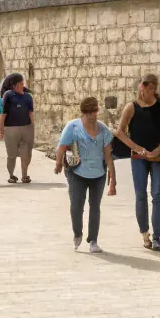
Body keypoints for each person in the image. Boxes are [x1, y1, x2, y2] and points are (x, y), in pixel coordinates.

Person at [115, 73, 160, 251]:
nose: (150, 93)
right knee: (141, 195)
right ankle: (145, 233)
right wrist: (138, 148)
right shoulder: (131, 108)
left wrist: (159, 149)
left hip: (156, 158)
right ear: (142, 88)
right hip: (138, 158)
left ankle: (157, 237)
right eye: (147, 89)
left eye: (152, 90)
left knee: (157, 195)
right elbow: (120, 132)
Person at [55, 96, 116, 253]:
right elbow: (62, 147)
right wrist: (58, 164)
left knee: (95, 207)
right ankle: (77, 234)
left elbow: (108, 155)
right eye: (88, 112)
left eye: (94, 111)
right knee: (76, 206)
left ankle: (93, 241)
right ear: (83, 113)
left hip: (99, 174)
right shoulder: (73, 127)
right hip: (77, 173)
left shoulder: (103, 130)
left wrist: (113, 179)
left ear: (97, 110)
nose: (92, 115)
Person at [1, 74, 35, 184]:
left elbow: (30, 113)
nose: (22, 86)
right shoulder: (8, 95)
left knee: (26, 153)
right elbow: (3, 113)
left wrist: (32, 127)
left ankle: (25, 175)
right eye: (20, 84)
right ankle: (11, 175)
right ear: (14, 86)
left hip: (26, 128)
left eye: (23, 84)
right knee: (12, 154)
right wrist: (1, 128)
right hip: (10, 129)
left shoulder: (28, 97)